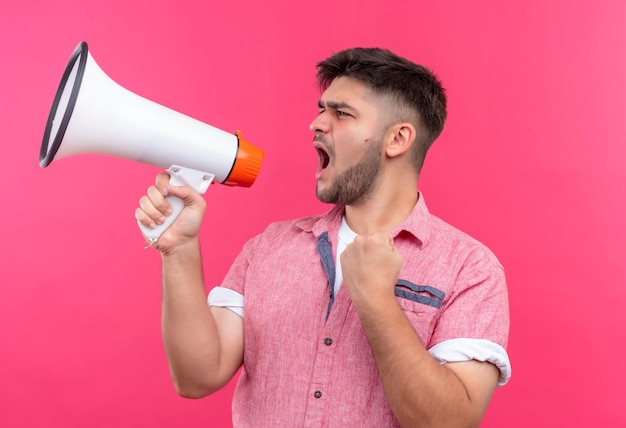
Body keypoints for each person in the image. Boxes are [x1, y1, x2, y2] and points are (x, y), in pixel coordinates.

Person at [136, 47, 511, 427]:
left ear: (397, 139)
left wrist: (379, 302)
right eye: (321, 110)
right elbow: (196, 376)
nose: (316, 124)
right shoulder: (268, 247)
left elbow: (451, 422)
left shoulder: (470, 269)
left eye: (341, 113)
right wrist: (179, 249)